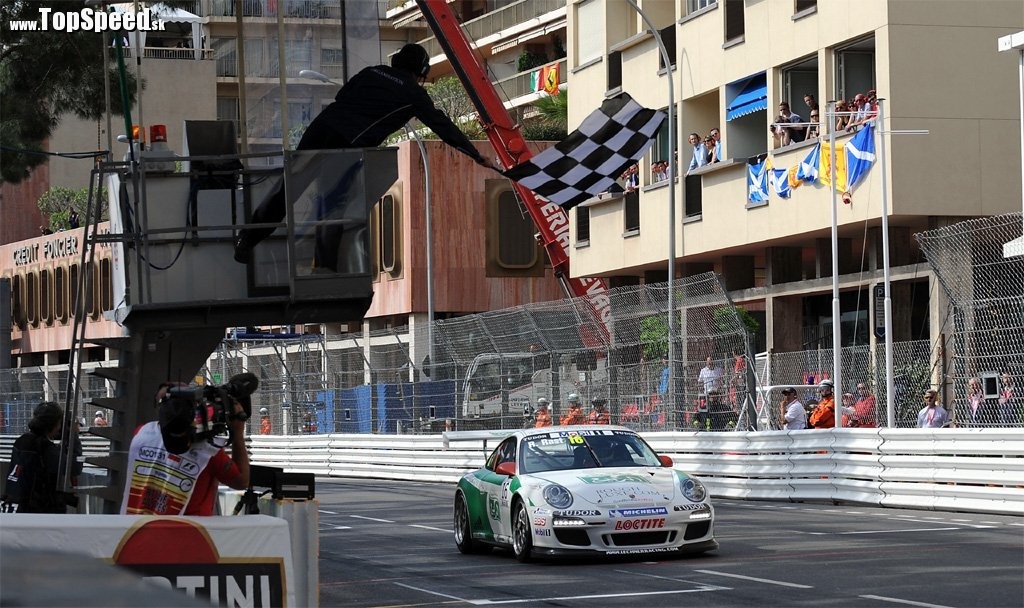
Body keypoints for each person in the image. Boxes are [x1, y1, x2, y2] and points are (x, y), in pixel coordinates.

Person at [233, 43, 495, 266]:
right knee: (333, 202)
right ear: (422, 71)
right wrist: (474, 154)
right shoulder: (414, 94)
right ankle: (324, 267)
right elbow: (443, 126)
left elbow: (343, 94)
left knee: (289, 187)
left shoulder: (373, 72)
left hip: (320, 127)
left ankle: (247, 240)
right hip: (345, 142)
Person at [121, 381, 250, 516]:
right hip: (191, 532)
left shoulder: (141, 433)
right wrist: (237, 432)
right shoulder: (208, 451)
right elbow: (241, 481)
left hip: (139, 529)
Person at [2, 402, 82, 513]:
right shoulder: (44, 448)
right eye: (60, 423)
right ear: (53, 425)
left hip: (19, 508)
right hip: (41, 514)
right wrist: (73, 435)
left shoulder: (22, 441)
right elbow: (75, 466)